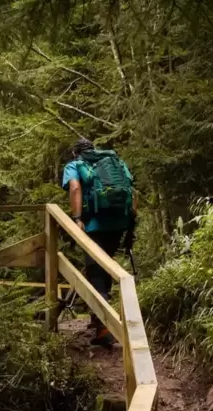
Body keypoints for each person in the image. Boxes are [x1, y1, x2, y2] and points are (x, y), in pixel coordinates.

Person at [61, 138, 137, 348]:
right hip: (119, 222)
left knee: (95, 272)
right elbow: (131, 190)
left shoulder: (75, 165)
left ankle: (105, 329)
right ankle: (100, 320)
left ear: (76, 153)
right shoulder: (116, 162)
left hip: (94, 224)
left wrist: (77, 218)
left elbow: (75, 188)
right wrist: (130, 224)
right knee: (106, 267)